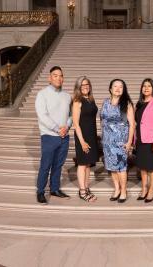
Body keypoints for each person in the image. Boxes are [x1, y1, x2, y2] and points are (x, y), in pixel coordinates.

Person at [35, 66, 72, 204]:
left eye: (61, 75)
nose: (58, 78)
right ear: (49, 78)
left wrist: (67, 126)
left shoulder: (67, 96)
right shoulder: (42, 94)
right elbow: (42, 115)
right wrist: (57, 129)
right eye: (55, 75)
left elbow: (70, 115)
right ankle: (40, 191)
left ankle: (54, 189)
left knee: (58, 165)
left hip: (64, 136)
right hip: (49, 136)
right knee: (46, 165)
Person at [100, 79, 135, 203]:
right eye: (115, 86)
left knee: (121, 168)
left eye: (121, 86)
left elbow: (132, 125)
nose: (118, 88)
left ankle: (123, 191)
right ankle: (116, 189)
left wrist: (129, 142)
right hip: (107, 142)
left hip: (121, 142)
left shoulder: (127, 104)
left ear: (123, 89)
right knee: (112, 167)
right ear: (110, 89)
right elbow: (102, 121)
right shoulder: (105, 102)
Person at [134, 78, 153, 203]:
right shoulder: (139, 104)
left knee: (152, 167)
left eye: (149, 86)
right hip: (141, 139)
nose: (146, 88)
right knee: (142, 166)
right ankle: (143, 188)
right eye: (144, 86)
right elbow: (137, 123)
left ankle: (151, 189)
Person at [71, 76, 99, 202]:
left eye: (87, 84)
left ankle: (86, 187)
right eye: (82, 85)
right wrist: (82, 142)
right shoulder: (77, 101)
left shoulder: (90, 99)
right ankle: (82, 191)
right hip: (82, 136)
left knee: (88, 164)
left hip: (91, 135)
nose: (85, 87)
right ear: (78, 87)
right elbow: (76, 123)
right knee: (82, 164)